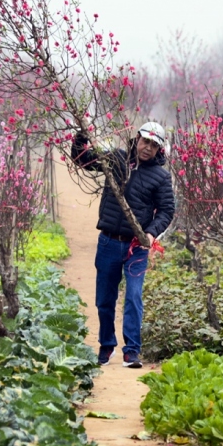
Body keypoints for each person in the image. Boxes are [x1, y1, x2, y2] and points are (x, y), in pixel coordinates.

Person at [71, 122, 175, 368]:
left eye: (153, 145)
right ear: (136, 138)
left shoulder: (161, 177)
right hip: (108, 240)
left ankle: (132, 350)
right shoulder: (116, 160)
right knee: (104, 299)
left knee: (134, 297)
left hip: (136, 247)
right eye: (145, 141)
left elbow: (167, 210)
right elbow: (82, 159)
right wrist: (81, 136)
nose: (147, 148)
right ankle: (107, 345)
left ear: (159, 149)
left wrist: (150, 234)